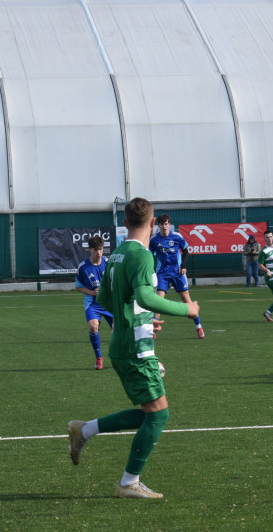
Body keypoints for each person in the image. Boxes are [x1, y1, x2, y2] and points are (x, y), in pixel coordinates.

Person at [67, 197, 201, 500]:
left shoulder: (116, 255)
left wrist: (136, 318)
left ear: (125, 223)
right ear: (153, 224)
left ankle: (83, 431)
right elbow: (148, 297)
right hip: (135, 351)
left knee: (150, 414)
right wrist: (188, 310)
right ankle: (128, 482)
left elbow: (102, 300)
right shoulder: (141, 256)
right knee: (158, 416)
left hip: (126, 344)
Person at [149, 215, 204, 339]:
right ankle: (153, 331)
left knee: (187, 300)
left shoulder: (177, 237)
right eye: (162, 224)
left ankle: (199, 327)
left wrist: (183, 265)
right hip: (162, 274)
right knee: (158, 302)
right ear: (158, 225)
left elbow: (186, 251)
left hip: (177, 273)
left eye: (166, 224)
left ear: (169, 225)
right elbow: (149, 255)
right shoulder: (154, 240)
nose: (164, 226)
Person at [74, 235, 114, 369]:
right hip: (93, 304)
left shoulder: (109, 264)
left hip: (109, 303)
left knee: (119, 330)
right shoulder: (83, 267)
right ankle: (99, 358)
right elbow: (78, 286)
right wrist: (92, 293)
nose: (98, 252)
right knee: (93, 327)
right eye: (96, 249)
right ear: (90, 250)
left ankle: (118, 356)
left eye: (101, 249)